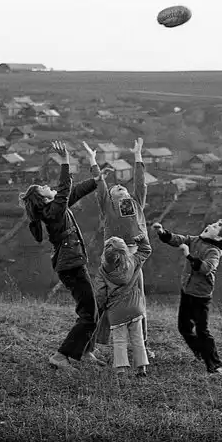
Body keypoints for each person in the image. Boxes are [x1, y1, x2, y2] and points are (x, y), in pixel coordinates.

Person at [18, 141, 107, 371]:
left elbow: (75, 192)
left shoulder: (55, 208)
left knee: (92, 310)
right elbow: (66, 189)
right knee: (89, 314)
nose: (47, 186)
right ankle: (61, 355)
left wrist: (96, 180)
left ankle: (86, 350)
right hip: (71, 266)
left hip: (72, 263)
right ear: (44, 199)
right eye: (43, 188)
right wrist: (65, 161)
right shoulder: (54, 211)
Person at [83, 138, 155, 359]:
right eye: (115, 188)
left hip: (134, 256)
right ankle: (90, 345)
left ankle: (143, 345)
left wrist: (138, 155)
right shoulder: (108, 205)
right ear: (110, 196)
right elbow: (100, 185)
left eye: (122, 186)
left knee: (138, 301)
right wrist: (93, 160)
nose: (119, 187)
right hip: (113, 256)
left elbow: (140, 181)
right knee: (104, 300)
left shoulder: (136, 202)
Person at [152, 219, 222, 375]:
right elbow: (178, 239)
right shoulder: (195, 240)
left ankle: (216, 365)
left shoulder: (214, 251)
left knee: (202, 331)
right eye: (212, 224)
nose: (210, 225)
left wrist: (188, 255)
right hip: (186, 291)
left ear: (218, 238)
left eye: (215, 227)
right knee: (183, 327)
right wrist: (163, 233)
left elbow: (206, 268)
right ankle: (200, 351)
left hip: (201, 297)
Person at [95, 234, 152, 377]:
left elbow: (100, 293)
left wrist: (103, 306)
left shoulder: (102, 271)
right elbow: (145, 251)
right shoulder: (133, 261)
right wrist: (142, 240)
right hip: (135, 307)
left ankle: (121, 369)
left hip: (116, 311)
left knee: (119, 340)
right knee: (138, 338)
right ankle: (142, 368)